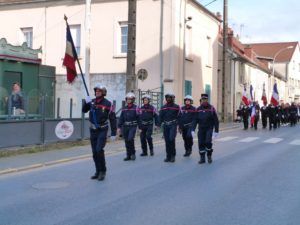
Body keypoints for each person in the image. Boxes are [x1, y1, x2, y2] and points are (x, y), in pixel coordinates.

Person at [82, 84, 117, 181]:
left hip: (102, 129)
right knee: (94, 152)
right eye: (96, 91)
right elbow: (84, 110)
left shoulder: (108, 104)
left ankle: (103, 171)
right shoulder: (92, 102)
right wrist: (86, 102)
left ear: (103, 93)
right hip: (93, 130)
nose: (97, 92)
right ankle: (97, 171)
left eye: (99, 91)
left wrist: (113, 133)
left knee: (99, 150)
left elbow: (113, 119)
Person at [192, 93, 219, 164]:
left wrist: (216, 131)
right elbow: (195, 120)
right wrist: (192, 129)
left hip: (209, 128)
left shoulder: (211, 108)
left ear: (207, 100)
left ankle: (209, 156)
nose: (204, 101)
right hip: (201, 129)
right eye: (203, 99)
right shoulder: (198, 109)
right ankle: (202, 158)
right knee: (201, 143)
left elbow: (216, 120)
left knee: (208, 142)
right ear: (201, 100)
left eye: (205, 99)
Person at [158, 93, 181, 163]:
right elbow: (160, 116)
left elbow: (180, 117)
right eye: (167, 97)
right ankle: (168, 156)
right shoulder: (163, 107)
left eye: (170, 97)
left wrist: (179, 126)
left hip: (173, 125)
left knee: (171, 139)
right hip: (166, 125)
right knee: (167, 141)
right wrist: (158, 125)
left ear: (172, 98)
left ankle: (173, 156)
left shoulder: (177, 107)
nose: (168, 99)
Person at [118, 92, 139, 161]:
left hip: (133, 126)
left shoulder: (136, 108)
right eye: (127, 99)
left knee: (130, 139)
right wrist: (119, 127)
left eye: (130, 99)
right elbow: (121, 118)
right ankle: (128, 155)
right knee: (126, 141)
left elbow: (139, 118)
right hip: (125, 126)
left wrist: (140, 127)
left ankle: (133, 153)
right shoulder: (124, 108)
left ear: (133, 100)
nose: (128, 100)